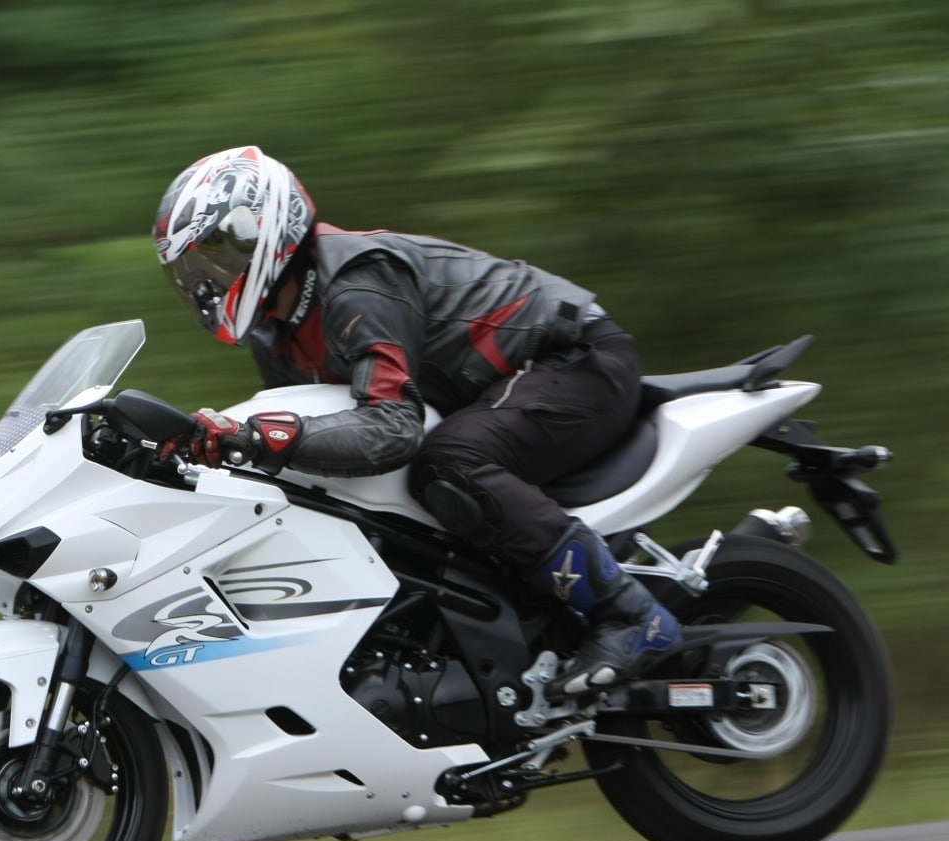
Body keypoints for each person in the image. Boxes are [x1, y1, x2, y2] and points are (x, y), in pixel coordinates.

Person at [151, 145, 679, 698]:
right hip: (493, 389)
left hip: (574, 357)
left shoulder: (357, 282)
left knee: (450, 465)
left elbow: (392, 428)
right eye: (192, 268)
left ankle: (630, 613)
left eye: (216, 253)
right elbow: (317, 446)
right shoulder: (277, 333)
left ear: (266, 227)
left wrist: (259, 438)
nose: (206, 278)